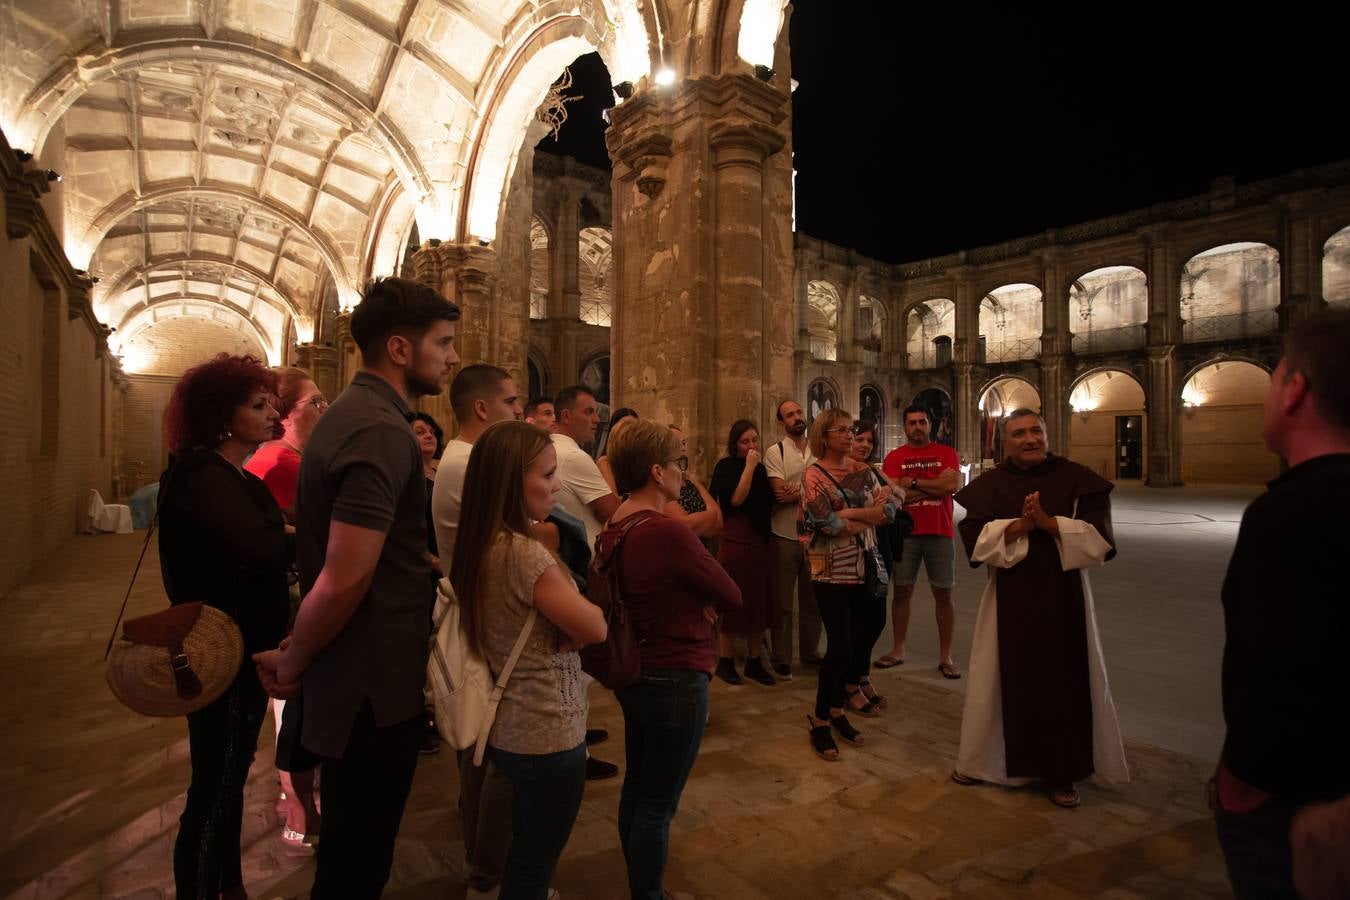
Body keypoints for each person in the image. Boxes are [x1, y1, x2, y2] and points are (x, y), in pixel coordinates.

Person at [253, 276, 460, 898]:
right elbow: (345, 576)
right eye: (444, 343)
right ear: (400, 349)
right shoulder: (378, 429)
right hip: (370, 686)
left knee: (354, 851)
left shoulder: (359, 415)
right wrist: (297, 654)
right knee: (356, 861)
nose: (452, 357)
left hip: (363, 674)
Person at [1213, 309, 1350, 899]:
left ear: (1294, 391)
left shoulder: (1289, 514)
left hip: (1300, 800)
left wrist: (1244, 785)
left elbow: (1273, 670)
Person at [452, 420, 608, 900]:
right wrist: (579, 620)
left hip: (511, 727)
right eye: (546, 475)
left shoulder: (481, 544)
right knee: (534, 861)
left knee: (523, 848)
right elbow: (596, 627)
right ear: (509, 480)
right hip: (546, 729)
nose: (557, 485)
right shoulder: (526, 555)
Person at [158, 354, 293, 899]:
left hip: (246, 646)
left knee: (232, 772)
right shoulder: (200, 471)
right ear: (221, 412)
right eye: (257, 404)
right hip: (220, 648)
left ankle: (228, 883)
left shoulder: (235, 474)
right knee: (215, 782)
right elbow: (260, 546)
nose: (272, 412)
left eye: (271, 402)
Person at [950, 408, 1129, 809]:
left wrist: (1050, 524)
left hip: (1064, 596)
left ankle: (1060, 772)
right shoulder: (992, 484)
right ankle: (985, 763)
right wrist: (1020, 526)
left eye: (1036, 431)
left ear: (1047, 435)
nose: (1029, 439)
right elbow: (975, 541)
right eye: (1019, 434)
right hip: (1009, 596)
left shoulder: (1077, 478)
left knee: (1063, 679)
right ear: (1004, 441)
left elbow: (1101, 540)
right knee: (997, 678)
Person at [598, 420, 741, 899]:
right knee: (657, 805)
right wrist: (700, 596)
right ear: (657, 473)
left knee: (638, 788)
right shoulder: (666, 531)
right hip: (675, 674)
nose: (684, 471)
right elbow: (729, 592)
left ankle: (641, 887)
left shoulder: (617, 521)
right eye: (679, 463)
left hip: (637, 670)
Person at [430, 363, 524, 899]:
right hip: (486, 617)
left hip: (480, 611)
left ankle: (484, 856)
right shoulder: (473, 463)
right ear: (483, 409)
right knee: (488, 756)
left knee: (482, 754)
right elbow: (521, 535)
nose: (517, 409)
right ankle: (487, 873)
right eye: (511, 402)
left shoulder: (464, 458)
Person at [244, 366, 326, 854]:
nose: (324, 410)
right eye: (314, 403)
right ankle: (300, 804)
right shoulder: (283, 463)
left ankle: (297, 799)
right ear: (285, 414)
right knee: (296, 708)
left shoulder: (282, 457)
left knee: (291, 708)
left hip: (288, 601)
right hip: (293, 602)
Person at [799, 409, 896, 762]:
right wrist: (864, 515)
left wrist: (851, 515)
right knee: (839, 644)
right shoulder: (813, 475)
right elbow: (824, 523)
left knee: (855, 641)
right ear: (824, 436)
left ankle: (837, 711)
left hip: (863, 566)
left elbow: (889, 513)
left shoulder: (864, 471)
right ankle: (820, 716)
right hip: (829, 570)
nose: (849, 436)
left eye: (850, 430)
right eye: (841, 430)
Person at [550, 385, 622, 780]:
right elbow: (613, 511)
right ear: (565, 416)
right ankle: (574, 752)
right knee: (579, 664)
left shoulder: (549, 449)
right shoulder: (575, 456)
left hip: (563, 566)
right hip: (580, 568)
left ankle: (576, 735)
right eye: (589, 412)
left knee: (572, 664)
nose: (597, 419)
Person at [876, 405, 962, 679]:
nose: (917, 426)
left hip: (940, 532)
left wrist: (910, 482)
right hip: (905, 535)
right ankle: (899, 648)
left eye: (922, 421)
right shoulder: (894, 457)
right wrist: (931, 484)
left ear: (930, 425)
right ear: (904, 427)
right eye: (912, 422)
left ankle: (945, 655)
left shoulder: (946, 453)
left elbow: (951, 487)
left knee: (943, 594)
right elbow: (894, 495)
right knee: (902, 592)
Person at [847, 419, 912, 711]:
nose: (863, 445)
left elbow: (900, 496)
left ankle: (862, 675)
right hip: (855, 555)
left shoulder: (873, 470)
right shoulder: (839, 471)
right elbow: (849, 514)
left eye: (869, 441)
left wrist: (889, 499)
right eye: (858, 439)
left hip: (880, 552)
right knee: (857, 622)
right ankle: (849, 682)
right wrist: (882, 506)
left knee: (876, 619)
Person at [710, 419, 778, 686]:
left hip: (759, 541)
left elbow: (769, 503)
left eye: (754, 440)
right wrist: (749, 467)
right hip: (736, 541)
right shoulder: (725, 467)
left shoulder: (762, 470)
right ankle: (725, 661)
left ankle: (754, 661)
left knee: (759, 602)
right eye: (745, 441)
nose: (751, 446)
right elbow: (735, 500)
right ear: (735, 444)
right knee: (732, 601)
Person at [763, 399, 821, 676]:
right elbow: (778, 493)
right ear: (781, 422)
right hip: (784, 535)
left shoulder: (819, 449)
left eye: (798, 412)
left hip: (815, 537)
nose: (797, 417)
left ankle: (810, 653)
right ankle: (781, 656)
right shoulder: (775, 452)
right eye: (790, 415)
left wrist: (797, 490)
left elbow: (827, 488)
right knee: (783, 601)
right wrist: (812, 489)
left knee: (814, 601)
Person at [663, 424, 722, 540]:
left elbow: (719, 522)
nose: (683, 448)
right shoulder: (663, 485)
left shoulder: (692, 482)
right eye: (676, 443)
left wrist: (697, 523)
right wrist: (710, 515)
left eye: (684, 442)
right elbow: (685, 527)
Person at [598, 407, 640, 495]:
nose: (630, 431)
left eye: (635, 427)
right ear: (614, 430)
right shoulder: (605, 462)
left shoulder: (641, 461)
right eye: (625, 426)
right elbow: (613, 503)